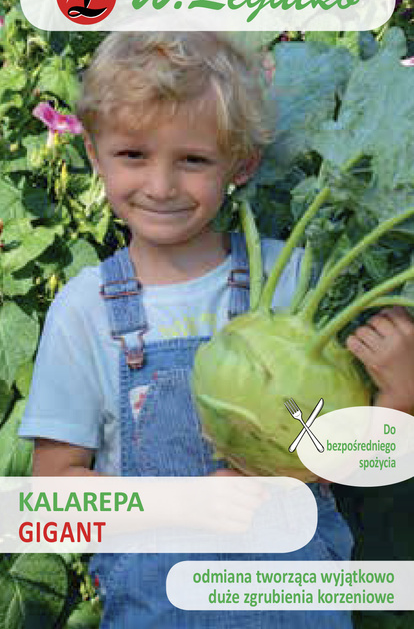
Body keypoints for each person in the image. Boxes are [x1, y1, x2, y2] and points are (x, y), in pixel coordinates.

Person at [19, 32, 414, 628]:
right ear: (95, 157)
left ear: (242, 164)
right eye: (133, 155)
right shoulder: (87, 310)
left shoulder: (298, 282)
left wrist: (400, 399)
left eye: (193, 159)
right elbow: (52, 503)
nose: (161, 185)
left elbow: (332, 461)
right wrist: (185, 503)